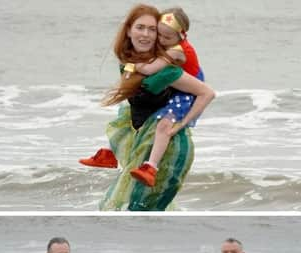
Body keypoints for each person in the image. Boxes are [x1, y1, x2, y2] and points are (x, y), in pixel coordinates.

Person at [79, 4, 215, 210]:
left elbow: (207, 93)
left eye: (152, 30)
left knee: (138, 210)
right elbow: (136, 106)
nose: (149, 35)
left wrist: (183, 124)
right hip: (143, 145)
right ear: (128, 30)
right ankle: (110, 153)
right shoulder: (132, 62)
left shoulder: (168, 69)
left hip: (169, 153)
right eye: (141, 27)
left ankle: (145, 165)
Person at [128, 7, 206, 187]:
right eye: (159, 34)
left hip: (186, 90)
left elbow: (148, 69)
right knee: (129, 110)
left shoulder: (176, 51)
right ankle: (109, 153)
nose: (161, 40)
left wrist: (130, 63)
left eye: (167, 37)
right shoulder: (169, 45)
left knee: (164, 124)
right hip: (175, 84)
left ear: (181, 35)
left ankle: (151, 168)